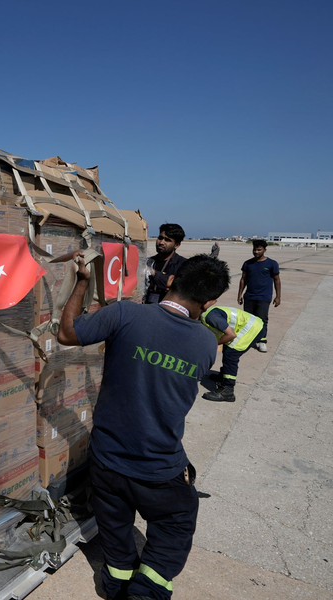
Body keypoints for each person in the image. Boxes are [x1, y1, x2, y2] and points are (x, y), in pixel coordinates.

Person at [58, 253, 230, 600]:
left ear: (170, 280)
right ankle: (147, 589)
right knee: (175, 522)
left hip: (107, 460)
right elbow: (219, 337)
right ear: (210, 302)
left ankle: (116, 581)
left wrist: (81, 281)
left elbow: (66, 333)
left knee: (115, 526)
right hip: (158, 467)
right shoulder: (205, 344)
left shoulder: (125, 314)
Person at [200, 306, 264, 403]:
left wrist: (214, 343)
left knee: (230, 355)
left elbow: (231, 335)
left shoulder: (210, 317)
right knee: (227, 349)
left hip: (252, 328)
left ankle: (227, 390)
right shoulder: (205, 317)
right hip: (248, 326)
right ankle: (224, 376)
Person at [238, 239, 280, 352]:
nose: (256, 252)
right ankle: (248, 340)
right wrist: (240, 294)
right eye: (254, 249)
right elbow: (243, 280)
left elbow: (277, 280)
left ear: (265, 250)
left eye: (259, 249)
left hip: (264, 297)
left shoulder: (272, 264)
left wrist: (278, 296)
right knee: (247, 320)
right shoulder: (247, 263)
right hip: (249, 296)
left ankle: (262, 341)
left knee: (262, 319)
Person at [143, 223, 187, 304]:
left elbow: (178, 287)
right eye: (160, 238)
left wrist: (154, 273)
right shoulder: (149, 261)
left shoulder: (184, 265)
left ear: (177, 245)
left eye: (167, 240)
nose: (161, 242)